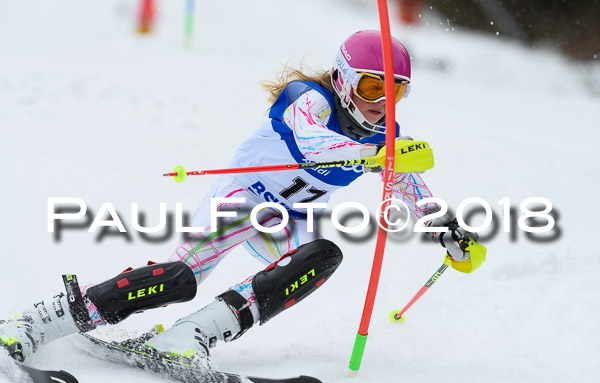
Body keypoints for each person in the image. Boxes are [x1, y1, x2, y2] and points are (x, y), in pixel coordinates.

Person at [0, 30, 475, 363]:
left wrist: (446, 229)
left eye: (398, 91)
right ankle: (42, 320)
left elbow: (409, 186)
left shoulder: (384, 133)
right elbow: (314, 146)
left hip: (289, 219)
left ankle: (195, 334)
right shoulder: (306, 97)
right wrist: (379, 154)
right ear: (345, 77)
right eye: (374, 85)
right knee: (179, 278)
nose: (383, 101)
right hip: (240, 202)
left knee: (322, 255)